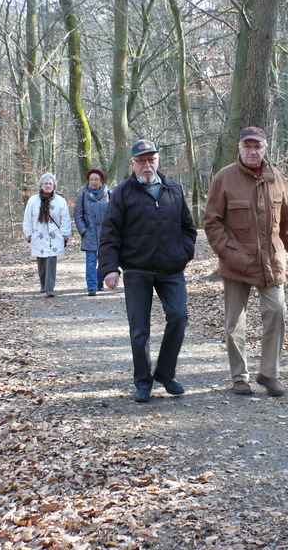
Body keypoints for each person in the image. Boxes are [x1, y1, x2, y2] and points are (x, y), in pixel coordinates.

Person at [204, 126, 288, 397]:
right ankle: (239, 377)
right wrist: (230, 253)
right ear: (240, 149)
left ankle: (269, 373)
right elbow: (212, 222)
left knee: (277, 312)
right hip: (236, 262)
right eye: (247, 146)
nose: (252, 152)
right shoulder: (224, 178)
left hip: (271, 261)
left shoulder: (276, 178)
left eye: (257, 147)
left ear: (265, 149)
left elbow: (286, 220)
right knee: (235, 323)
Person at [98, 140, 197, 403]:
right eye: (141, 161)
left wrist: (184, 252)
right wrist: (109, 268)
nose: (147, 165)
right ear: (132, 163)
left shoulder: (173, 189)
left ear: (158, 160)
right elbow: (109, 233)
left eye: (151, 159)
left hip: (171, 269)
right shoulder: (122, 192)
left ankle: (165, 372)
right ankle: (143, 382)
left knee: (179, 316)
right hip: (137, 270)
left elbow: (188, 228)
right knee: (139, 329)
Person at [23, 172, 72, 298]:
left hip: (55, 235)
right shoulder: (33, 201)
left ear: (54, 186)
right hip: (38, 234)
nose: (48, 186)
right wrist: (28, 234)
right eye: (46, 183)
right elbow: (27, 218)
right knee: (41, 262)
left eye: (50, 183)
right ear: (41, 185)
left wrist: (65, 235)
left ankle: (50, 288)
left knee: (51, 260)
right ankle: (43, 285)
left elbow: (65, 219)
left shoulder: (60, 201)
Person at [75, 168, 111, 296]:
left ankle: (99, 281)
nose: (93, 182)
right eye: (91, 179)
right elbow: (78, 216)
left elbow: (114, 214)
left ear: (101, 181)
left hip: (105, 234)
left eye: (96, 179)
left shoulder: (109, 195)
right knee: (91, 261)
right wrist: (84, 231)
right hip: (90, 233)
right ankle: (91, 286)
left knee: (103, 259)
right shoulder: (82, 196)